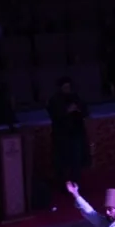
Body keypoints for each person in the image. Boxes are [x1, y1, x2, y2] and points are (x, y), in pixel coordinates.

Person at [42, 78, 91, 211]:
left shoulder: (76, 97)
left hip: (76, 135)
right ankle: (63, 186)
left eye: (69, 87)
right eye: (65, 87)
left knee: (76, 161)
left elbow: (86, 112)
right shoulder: (55, 100)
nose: (67, 90)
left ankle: (76, 186)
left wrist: (78, 109)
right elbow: (54, 115)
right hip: (62, 137)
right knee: (63, 163)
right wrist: (67, 111)